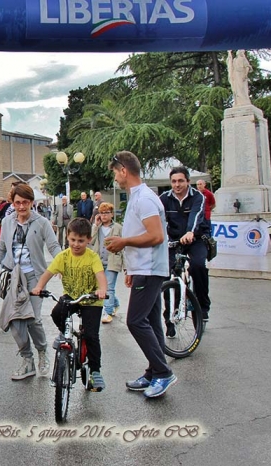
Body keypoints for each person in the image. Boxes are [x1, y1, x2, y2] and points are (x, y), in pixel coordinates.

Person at [105, 151, 177, 398]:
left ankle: (163, 372)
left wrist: (124, 242)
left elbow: (155, 235)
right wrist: (130, 268)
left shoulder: (144, 198)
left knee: (135, 321)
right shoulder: (139, 197)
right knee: (152, 321)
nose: (115, 177)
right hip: (143, 269)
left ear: (123, 170)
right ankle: (154, 371)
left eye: (115, 171)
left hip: (149, 269)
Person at [0, 183, 61, 381]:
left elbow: (53, 246)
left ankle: (42, 352)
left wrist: (62, 265)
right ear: (13, 203)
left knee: (33, 318)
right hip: (13, 277)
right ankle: (27, 360)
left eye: (25, 202)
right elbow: (0, 247)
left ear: (31, 203)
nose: (21, 207)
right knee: (16, 321)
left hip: (35, 276)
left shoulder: (41, 222)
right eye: (17, 203)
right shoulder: (8, 222)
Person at [31, 217, 107, 391]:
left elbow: (101, 276)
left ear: (89, 240)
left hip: (91, 300)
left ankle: (95, 371)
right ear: (67, 238)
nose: (76, 244)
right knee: (57, 312)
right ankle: (65, 333)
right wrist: (39, 287)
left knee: (91, 336)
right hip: (72, 295)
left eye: (81, 241)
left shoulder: (92, 257)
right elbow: (48, 273)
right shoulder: (63, 257)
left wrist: (101, 290)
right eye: (73, 240)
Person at [159, 166, 212, 323]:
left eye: (181, 181)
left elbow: (196, 216)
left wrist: (190, 232)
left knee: (198, 266)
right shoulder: (164, 198)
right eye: (174, 181)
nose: (177, 185)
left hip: (195, 238)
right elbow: (158, 218)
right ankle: (169, 314)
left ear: (188, 182)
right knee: (167, 274)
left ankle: (202, 306)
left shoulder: (198, 197)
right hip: (174, 241)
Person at [91, 202, 124, 324]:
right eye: (101, 213)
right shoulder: (98, 228)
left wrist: (126, 267)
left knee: (109, 287)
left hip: (113, 261)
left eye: (106, 213)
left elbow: (124, 247)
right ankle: (115, 303)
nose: (104, 216)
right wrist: (95, 225)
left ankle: (108, 312)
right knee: (102, 286)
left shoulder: (118, 228)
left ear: (112, 214)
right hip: (99, 261)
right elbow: (91, 240)